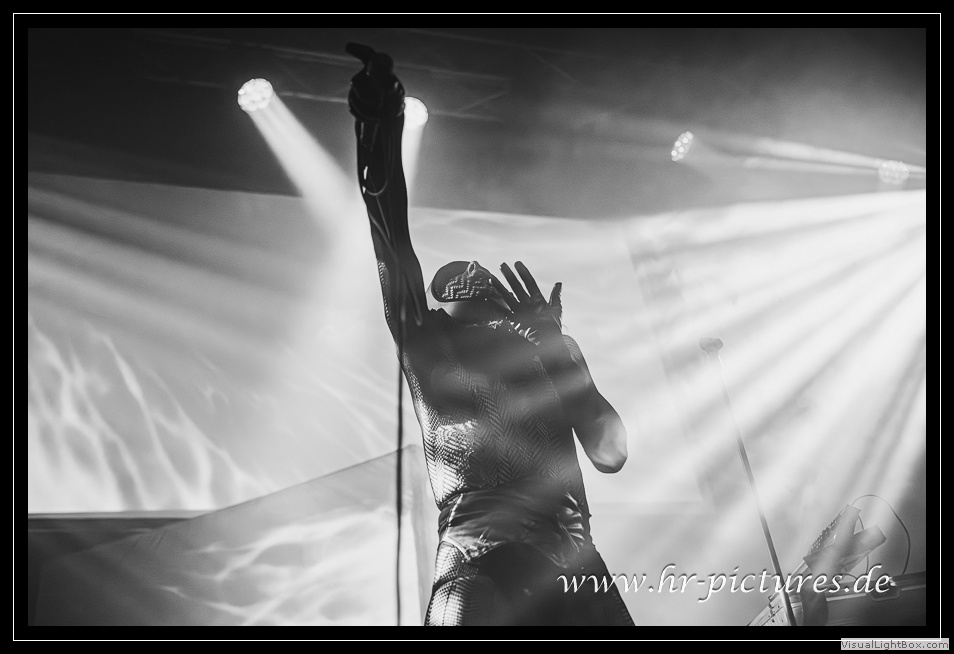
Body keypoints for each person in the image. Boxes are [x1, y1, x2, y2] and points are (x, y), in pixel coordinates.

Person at [346, 43, 635, 626]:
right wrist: (378, 130)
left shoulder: (549, 348)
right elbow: (391, 242)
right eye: (459, 287)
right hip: (480, 558)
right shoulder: (428, 341)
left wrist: (558, 354)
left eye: (481, 283)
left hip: (574, 566)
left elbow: (611, 455)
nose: (475, 286)